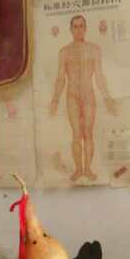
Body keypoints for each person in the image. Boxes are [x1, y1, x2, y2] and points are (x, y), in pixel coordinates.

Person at [50, 15, 117, 182]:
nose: (78, 29)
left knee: (88, 133)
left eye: (81, 26)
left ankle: (87, 169)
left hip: (88, 95)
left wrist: (107, 97)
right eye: (75, 26)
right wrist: (55, 100)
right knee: (76, 134)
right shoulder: (64, 52)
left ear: (85, 29)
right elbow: (60, 78)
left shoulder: (94, 49)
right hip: (72, 95)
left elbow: (99, 76)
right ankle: (78, 169)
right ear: (71, 29)